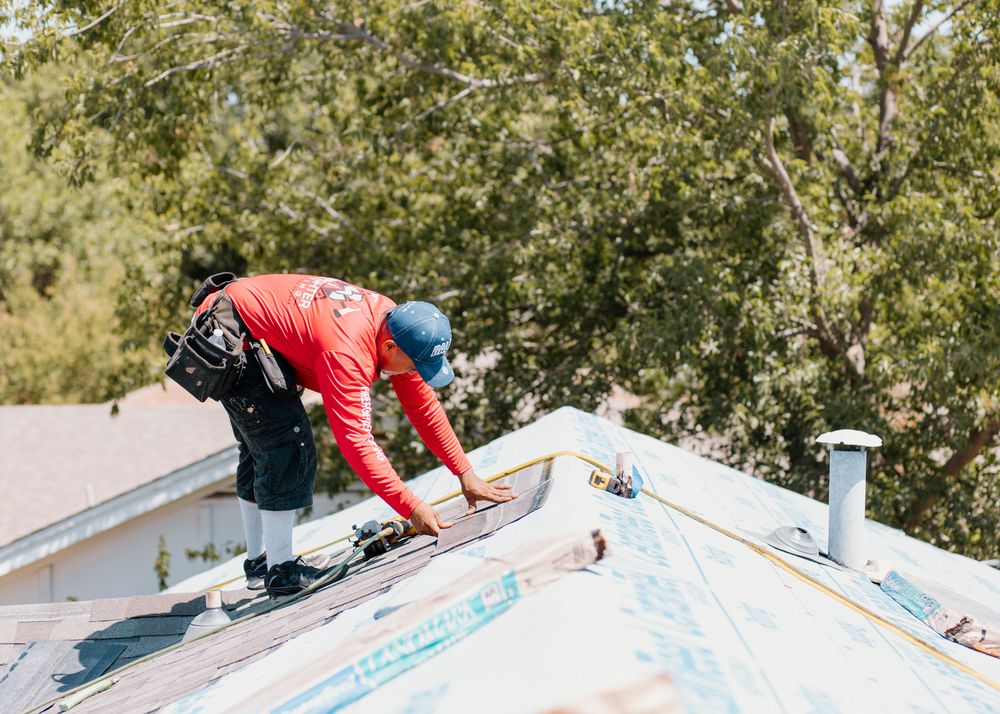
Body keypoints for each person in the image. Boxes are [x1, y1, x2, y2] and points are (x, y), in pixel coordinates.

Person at [193, 274, 516, 597]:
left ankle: (261, 564)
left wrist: (465, 472)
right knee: (285, 443)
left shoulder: (396, 324)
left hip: (237, 314)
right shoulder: (347, 352)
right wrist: (412, 507)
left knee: (260, 448)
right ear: (389, 347)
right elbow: (356, 442)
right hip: (231, 333)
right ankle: (280, 571)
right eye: (416, 365)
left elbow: (423, 406)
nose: (415, 372)